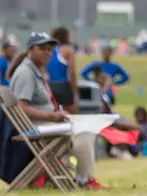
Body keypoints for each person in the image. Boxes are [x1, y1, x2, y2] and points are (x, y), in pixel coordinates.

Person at [8, 32, 106, 189]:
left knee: (85, 128)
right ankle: (84, 179)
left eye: (50, 49)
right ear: (30, 49)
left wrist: (58, 115)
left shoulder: (34, 71)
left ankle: (81, 177)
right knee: (85, 132)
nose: (47, 52)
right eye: (42, 48)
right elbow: (21, 108)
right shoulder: (26, 73)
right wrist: (52, 116)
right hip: (36, 129)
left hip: (44, 126)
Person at [47, 26, 79, 113]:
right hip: (63, 85)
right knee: (72, 113)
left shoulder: (48, 49)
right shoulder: (68, 50)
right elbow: (72, 72)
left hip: (49, 86)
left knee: (54, 113)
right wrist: (75, 91)